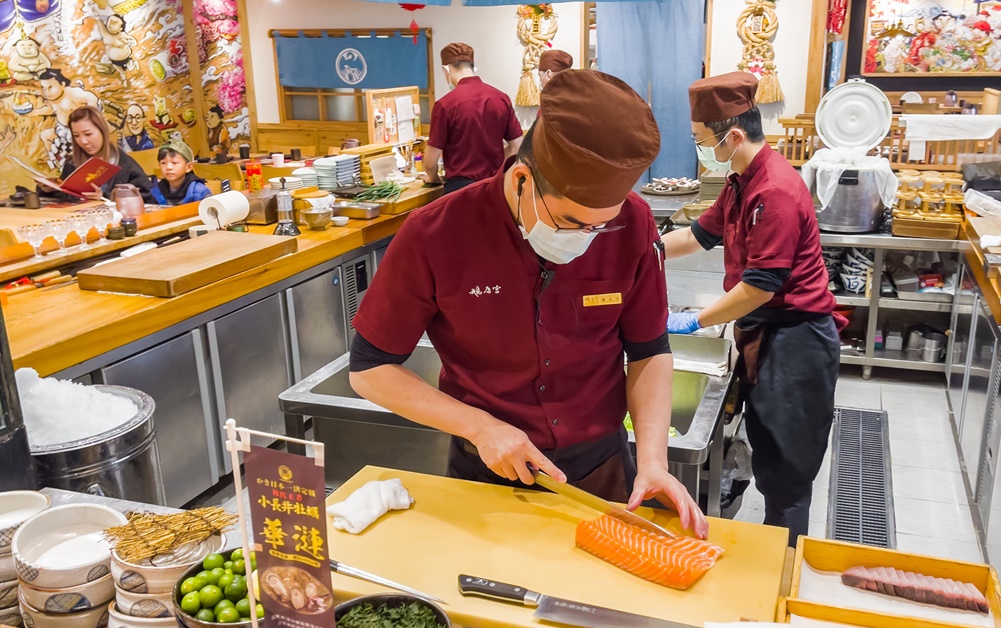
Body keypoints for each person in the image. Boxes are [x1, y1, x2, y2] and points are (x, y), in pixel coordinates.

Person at [350, 69, 708, 538]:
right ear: (521, 179)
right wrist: (479, 427)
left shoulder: (635, 224)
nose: (587, 238)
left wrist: (654, 460)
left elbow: (649, 350)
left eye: (601, 226)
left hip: (601, 469)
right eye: (572, 222)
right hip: (487, 474)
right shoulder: (435, 233)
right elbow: (370, 368)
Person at [661, 72, 843, 544]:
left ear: (734, 136)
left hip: (796, 343)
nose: (701, 150)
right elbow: (699, 235)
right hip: (766, 333)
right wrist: (645, 251)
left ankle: (784, 565)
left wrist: (693, 321)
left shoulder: (775, 189)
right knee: (767, 454)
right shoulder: (741, 181)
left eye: (703, 141)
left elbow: (761, 286)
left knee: (786, 475)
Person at [423, 43, 523, 195]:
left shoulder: (445, 105)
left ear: (446, 70)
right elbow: (517, 147)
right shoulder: (501, 98)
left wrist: (433, 178)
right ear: (473, 68)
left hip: (461, 192)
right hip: (495, 188)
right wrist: (494, 165)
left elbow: (430, 162)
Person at [59, 105, 153, 200]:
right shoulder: (72, 164)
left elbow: (147, 197)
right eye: (76, 136)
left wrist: (105, 197)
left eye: (88, 134)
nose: (83, 141)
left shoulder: (124, 164)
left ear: (102, 131)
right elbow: (62, 196)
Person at [149, 138, 212, 206]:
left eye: (174, 163)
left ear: (188, 167)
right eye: (163, 163)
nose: (168, 167)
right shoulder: (157, 190)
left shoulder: (199, 192)